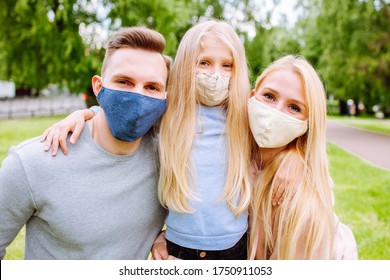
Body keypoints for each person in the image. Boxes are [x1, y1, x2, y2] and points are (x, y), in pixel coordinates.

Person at [40, 20, 253, 260]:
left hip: (235, 246)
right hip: (177, 247)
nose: (216, 74)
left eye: (227, 65)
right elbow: (130, 111)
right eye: (204, 63)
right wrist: (87, 113)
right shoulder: (170, 111)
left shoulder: (245, 116)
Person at [0, 26, 170, 259]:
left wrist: (169, 236)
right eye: (124, 82)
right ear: (99, 87)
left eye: (152, 87)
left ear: (165, 98)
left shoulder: (169, 160)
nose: (138, 97)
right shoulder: (32, 163)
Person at [248, 55, 358, 259]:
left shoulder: (302, 200)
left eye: (294, 107)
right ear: (252, 96)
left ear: (307, 124)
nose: (276, 112)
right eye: (269, 96)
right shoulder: (231, 153)